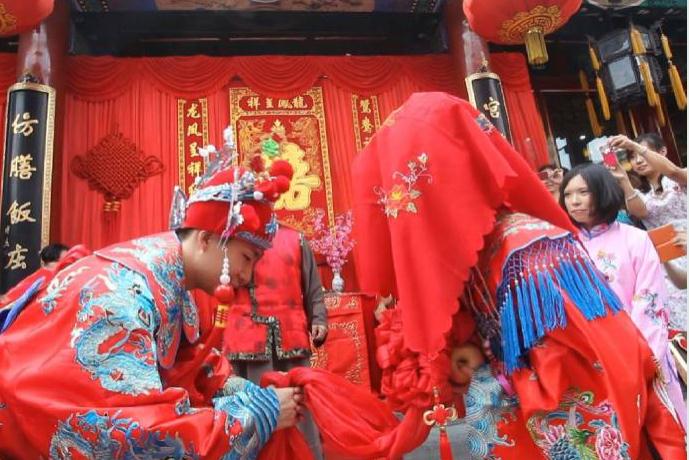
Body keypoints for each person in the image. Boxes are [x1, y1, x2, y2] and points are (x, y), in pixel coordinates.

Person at [352, 92, 686, 458]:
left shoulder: (526, 249)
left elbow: (594, 364)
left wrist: (493, 380)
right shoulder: (474, 255)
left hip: (568, 422)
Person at [0, 144, 304, 458]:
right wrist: (260, 414)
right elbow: (138, 436)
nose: (248, 275)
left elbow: (190, 364)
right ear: (205, 239)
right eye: (247, 258)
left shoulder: (171, 283)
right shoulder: (122, 297)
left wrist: (244, 391)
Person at [561, 163, 686, 429]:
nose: (574, 201)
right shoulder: (564, 248)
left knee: (659, 431)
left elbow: (649, 301)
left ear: (602, 191)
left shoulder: (636, 239)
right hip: (592, 359)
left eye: (583, 192)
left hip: (641, 352)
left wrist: (641, 357)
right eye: (568, 194)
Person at [223, 223, 328, 459]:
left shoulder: (295, 239)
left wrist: (318, 318)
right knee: (253, 410)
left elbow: (312, 287)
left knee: (299, 408)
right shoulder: (234, 237)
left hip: (291, 335)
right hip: (246, 337)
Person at [609, 133, 687, 332]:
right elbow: (641, 212)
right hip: (664, 260)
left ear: (663, 151)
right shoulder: (642, 194)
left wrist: (634, 145)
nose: (638, 160)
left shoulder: (681, 178)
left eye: (643, 153)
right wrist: (623, 180)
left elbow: (673, 171)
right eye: (632, 157)